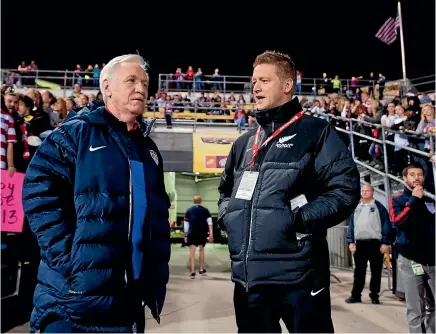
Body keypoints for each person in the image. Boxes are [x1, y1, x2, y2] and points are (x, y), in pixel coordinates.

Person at [22, 54, 171, 333]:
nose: (140, 88)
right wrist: (70, 260)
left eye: (145, 82)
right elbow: (37, 191)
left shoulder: (148, 151)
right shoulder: (75, 135)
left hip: (127, 302)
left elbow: (157, 220)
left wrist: (154, 277)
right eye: (131, 80)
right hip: (73, 302)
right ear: (107, 86)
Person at [217, 50, 360, 333]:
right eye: (254, 80)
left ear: (287, 85)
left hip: (300, 277)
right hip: (249, 282)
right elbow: (225, 193)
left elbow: (345, 190)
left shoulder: (316, 132)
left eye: (264, 80)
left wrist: (297, 220)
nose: (256, 87)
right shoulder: (245, 142)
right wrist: (229, 218)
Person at [390, 163, 435, 333]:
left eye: (420, 174)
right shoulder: (398, 200)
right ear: (404, 178)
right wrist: (414, 200)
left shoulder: (431, 199)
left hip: (432, 259)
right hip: (411, 260)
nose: (417, 177)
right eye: (412, 174)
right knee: (416, 306)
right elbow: (398, 221)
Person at [346, 184, 392, 304]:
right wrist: (350, 241)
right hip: (360, 243)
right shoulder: (356, 207)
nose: (365, 192)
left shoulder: (379, 207)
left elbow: (386, 225)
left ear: (373, 192)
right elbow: (351, 226)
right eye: (363, 190)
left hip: (375, 243)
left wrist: (385, 242)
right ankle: (356, 295)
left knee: (376, 271)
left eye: (367, 190)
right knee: (359, 272)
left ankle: (374, 296)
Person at [184, 195, 214, 278]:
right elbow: (210, 223)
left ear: (193, 201)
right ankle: (201, 269)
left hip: (192, 232)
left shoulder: (189, 210)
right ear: (201, 201)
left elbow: (186, 224)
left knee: (192, 252)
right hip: (202, 233)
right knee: (201, 250)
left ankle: (193, 271)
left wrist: (185, 235)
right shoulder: (205, 210)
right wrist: (211, 234)